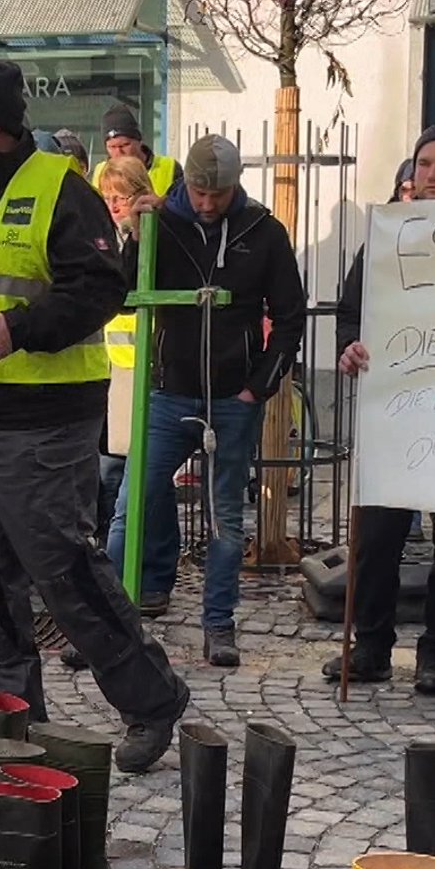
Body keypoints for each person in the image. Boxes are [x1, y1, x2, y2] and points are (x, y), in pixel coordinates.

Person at [0, 59, 188, 771]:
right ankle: (16, 725)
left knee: (64, 574)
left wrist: (23, 325)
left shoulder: (58, 189)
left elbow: (99, 285)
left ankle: (151, 699)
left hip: (37, 429)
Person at [107, 135, 304, 669]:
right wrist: (135, 233)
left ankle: (219, 624)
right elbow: (119, 291)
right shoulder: (161, 222)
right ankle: (106, 625)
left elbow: (290, 318)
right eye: (198, 191)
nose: (207, 203)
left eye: (217, 193)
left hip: (233, 398)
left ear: (235, 186)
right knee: (131, 507)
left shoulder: (263, 231)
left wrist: (257, 386)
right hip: (169, 394)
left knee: (223, 521)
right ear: (184, 183)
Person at [328, 123, 435, 697]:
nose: (432, 175)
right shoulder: (385, 236)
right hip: (393, 408)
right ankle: (370, 644)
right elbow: (352, 309)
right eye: (424, 163)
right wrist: (350, 345)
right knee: (376, 537)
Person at [93, 155, 153, 540]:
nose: (114, 204)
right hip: (107, 366)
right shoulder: (100, 237)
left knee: (130, 470)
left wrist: (137, 235)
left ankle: (126, 547)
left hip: (142, 367)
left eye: (121, 196)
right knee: (107, 469)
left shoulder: (145, 238)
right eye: (107, 195)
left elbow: (128, 292)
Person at [94, 105, 182, 196]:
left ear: (139, 141)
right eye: (112, 147)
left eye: (125, 145)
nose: (118, 152)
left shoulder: (169, 167)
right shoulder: (100, 171)